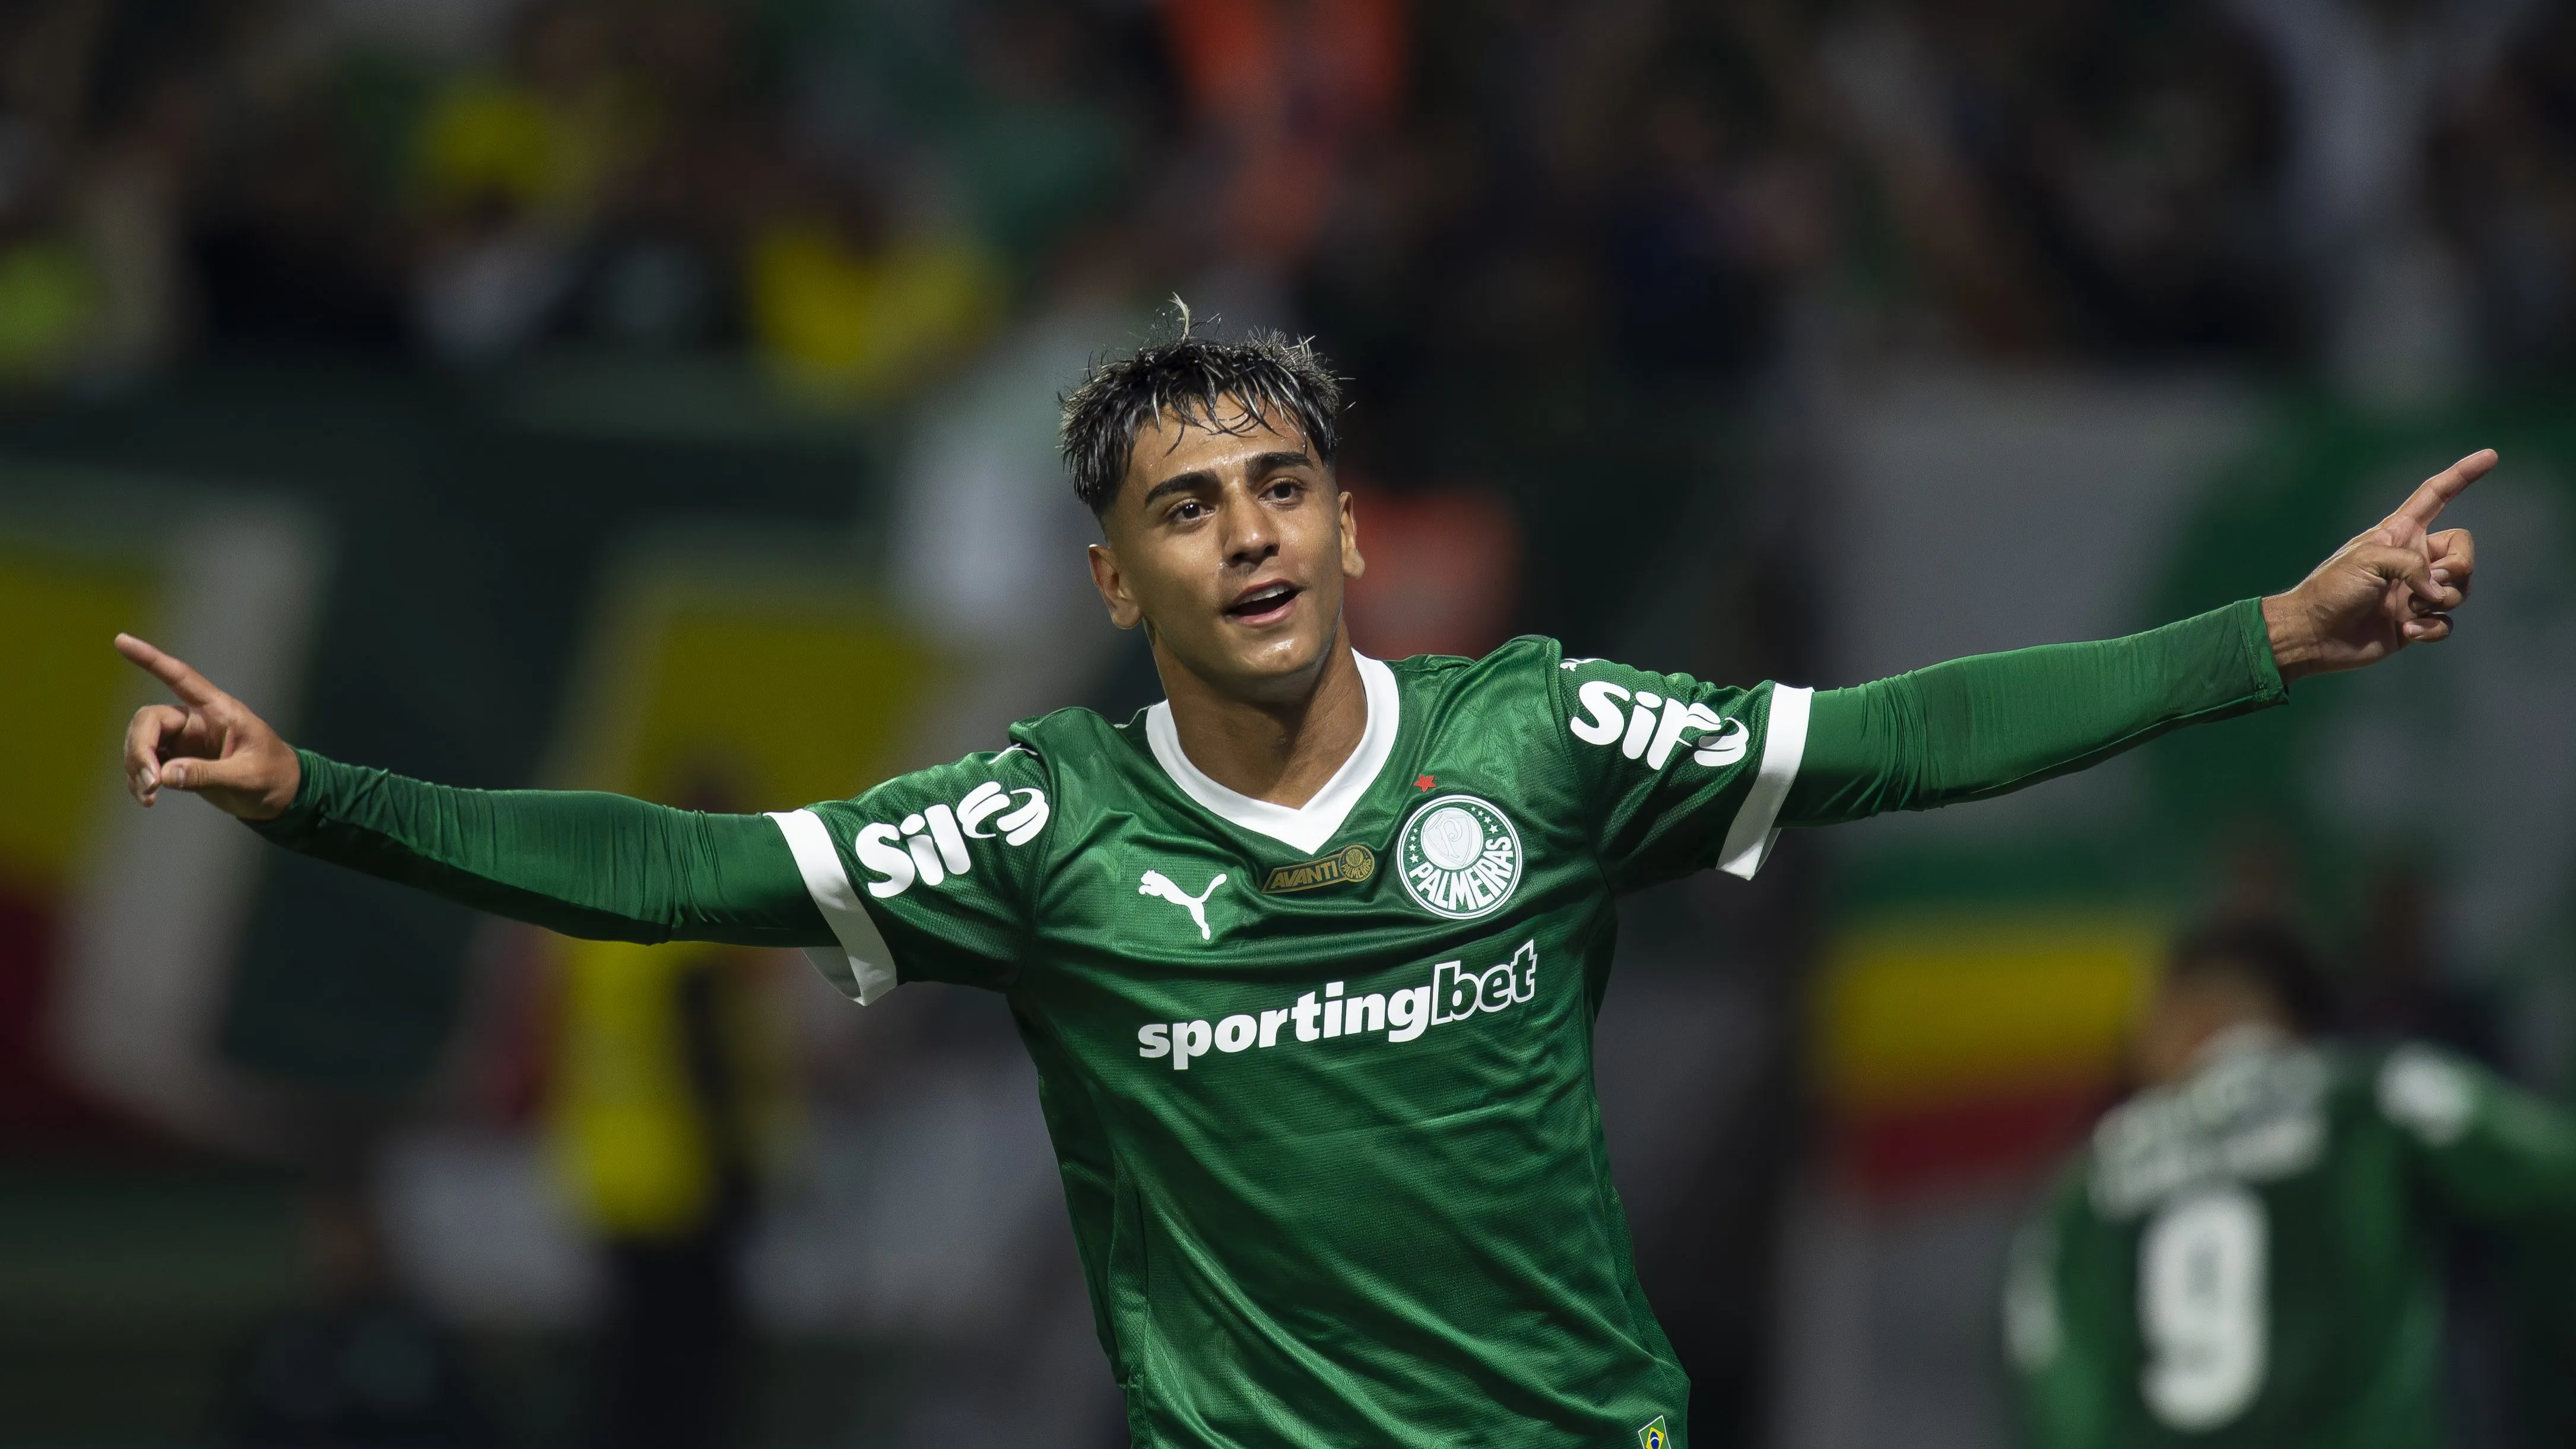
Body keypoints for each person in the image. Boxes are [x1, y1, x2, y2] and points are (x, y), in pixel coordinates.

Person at [115, 329, 2489, 1447]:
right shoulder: (1043, 825)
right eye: (1185, 504)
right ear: (1115, 572)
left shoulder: (1539, 737)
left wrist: (2260, 636)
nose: (1244, 528)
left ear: (1347, 530)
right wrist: (322, 791)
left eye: (1278, 485)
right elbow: (677, 871)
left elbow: (1895, 739)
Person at [2002, 918, 2576, 1449]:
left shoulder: (2079, 1191)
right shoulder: (2377, 1096)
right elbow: (2553, 1178)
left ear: (2188, 1011)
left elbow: (2057, 1408)